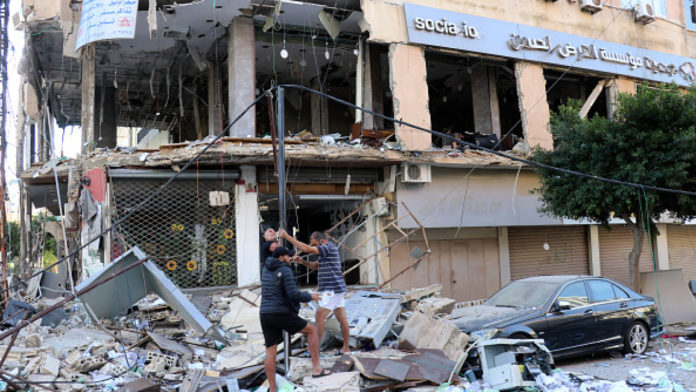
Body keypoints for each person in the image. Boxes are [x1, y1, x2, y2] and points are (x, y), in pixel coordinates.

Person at [260, 246, 330, 392]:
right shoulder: (285, 270)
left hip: (265, 313)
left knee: (270, 351)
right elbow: (293, 294)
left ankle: (272, 389)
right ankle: (317, 368)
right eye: (288, 256)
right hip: (281, 313)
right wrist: (311, 296)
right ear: (281, 258)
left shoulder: (266, 269)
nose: (290, 258)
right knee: (312, 330)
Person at [279, 229, 350, 355]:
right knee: (342, 318)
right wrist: (303, 262)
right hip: (337, 289)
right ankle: (346, 348)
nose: (313, 247)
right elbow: (316, 266)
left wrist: (287, 236)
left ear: (322, 241)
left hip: (331, 289)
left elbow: (306, 249)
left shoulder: (327, 248)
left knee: (319, 316)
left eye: (314, 244)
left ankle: (314, 350)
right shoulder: (325, 253)